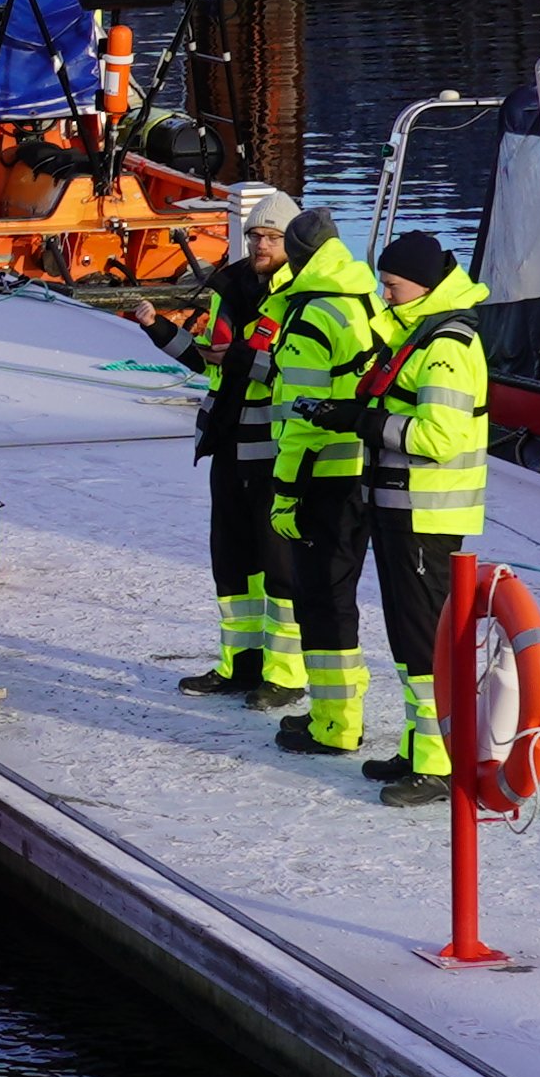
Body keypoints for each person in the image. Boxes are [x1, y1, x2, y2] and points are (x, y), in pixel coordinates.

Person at [359, 230, 490, 802]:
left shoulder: (448, 345)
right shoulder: (419, 331)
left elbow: (440, 436)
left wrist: (366, 425)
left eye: (392, 285)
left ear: (424, 284)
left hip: (426, 514)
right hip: (402, 507)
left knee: (424, 642)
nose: (385, 295)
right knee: (407, 639)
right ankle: (421, 746)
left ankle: (440, 765)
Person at [262, 210, 390, 758]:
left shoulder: (312, 315)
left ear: (297, 254)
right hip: (365, 468)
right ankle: (334, 714)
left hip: (322, 476)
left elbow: (301, 417)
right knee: (338, 597)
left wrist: (285, 491)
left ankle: (334, 724)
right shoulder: (365, 300)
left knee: (322, 602)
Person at [167, 182, 295, 700]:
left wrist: (241, 358)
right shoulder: (230, 285)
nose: (261, 245)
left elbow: (291, 370)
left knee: (279, 568)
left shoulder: (299, 296)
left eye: (272, 237)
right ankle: (239, 665)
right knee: (233, 564)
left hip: (275, 448)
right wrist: (158, 332)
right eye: (255, 235)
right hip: (227, 443)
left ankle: (284, 676)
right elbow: (208, 361)